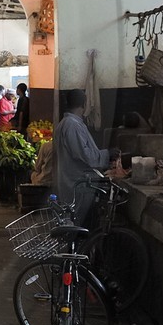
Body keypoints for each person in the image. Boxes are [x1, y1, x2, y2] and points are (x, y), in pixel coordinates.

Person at [54, 88, 118, 224]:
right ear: (84, 105)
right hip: (77, 184)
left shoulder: (67, 123)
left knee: (75, 223)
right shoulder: (72, 125)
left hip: (72, 181)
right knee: (80, 224)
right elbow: (87, 156)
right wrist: (108, 154)